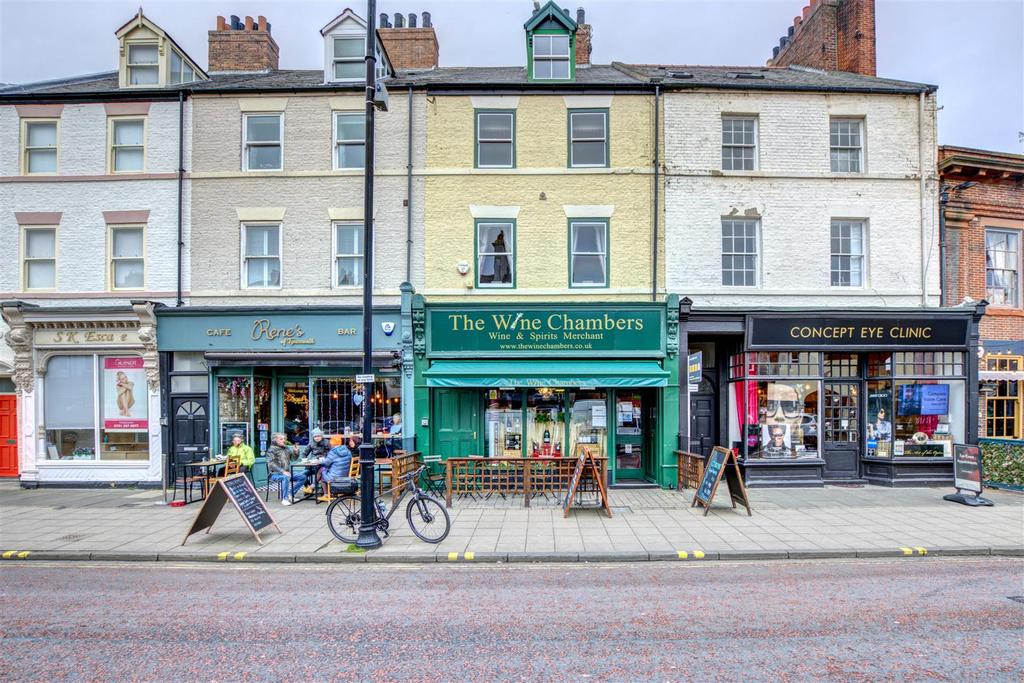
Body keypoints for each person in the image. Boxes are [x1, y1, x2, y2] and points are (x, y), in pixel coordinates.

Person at [266, 432, 304, 505]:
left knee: (302, 477)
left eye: (284, 439)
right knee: (286, 477)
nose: (283, 440)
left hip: (287, 472)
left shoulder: (286, 448)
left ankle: (290, 494)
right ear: (275, 440)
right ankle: (285, 499)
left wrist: (296, 452)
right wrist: (282, 471)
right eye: (281, 439)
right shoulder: (271, 450)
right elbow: (271, 464)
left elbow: (293, 459)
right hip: (275, 474)